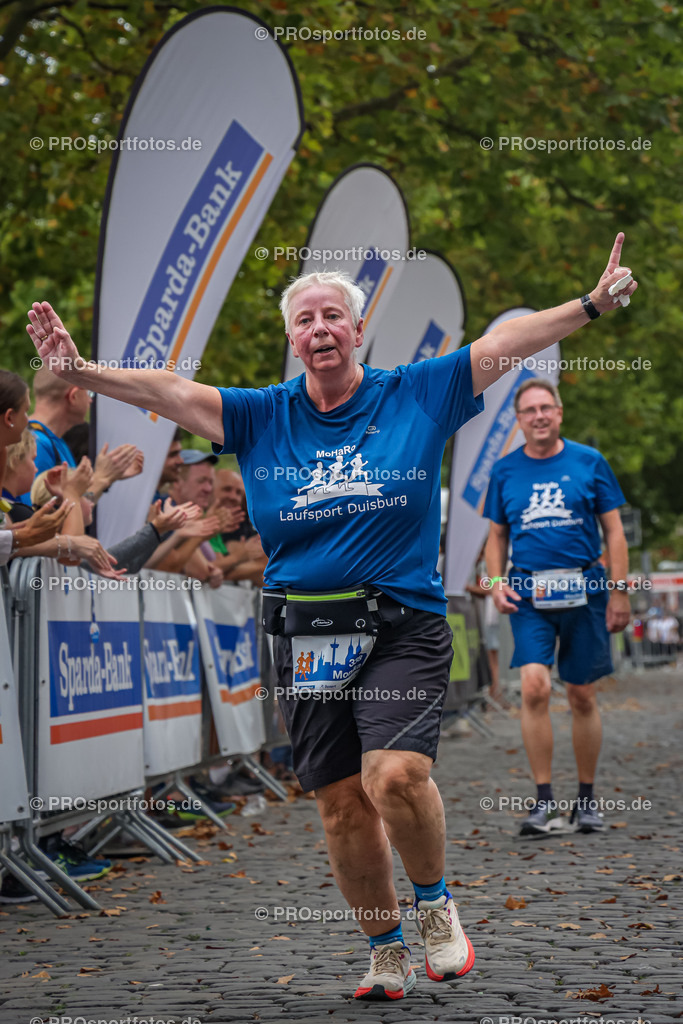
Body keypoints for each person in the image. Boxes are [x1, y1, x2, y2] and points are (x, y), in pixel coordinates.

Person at [26, 233, 637, 1000]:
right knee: (343, 805)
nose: (319, 329)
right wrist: (81, 371)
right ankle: (384, 949)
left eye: (332, 317)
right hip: (306, 633)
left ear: (355, 332)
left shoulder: (414, 392)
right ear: (293, 340)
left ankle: (434, 903)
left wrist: (586, 305)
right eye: (304, 320)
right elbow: (168, 392)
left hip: (400, 625)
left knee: (394, 777)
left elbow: (503, 344)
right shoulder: (261, 415)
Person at [483, 377, 630, 837]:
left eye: (547, 407)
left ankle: (585, 802)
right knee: (534, 687)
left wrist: (621, 590)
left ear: (559, 413)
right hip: (530, 594)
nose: (539, 416)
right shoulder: (505, 471)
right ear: (519, 420)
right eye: (530, 410)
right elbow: (496, 536)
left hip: (586, 588)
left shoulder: (590, 462)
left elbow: (615, 531)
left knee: (582, 694)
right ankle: (543, 802)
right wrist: (494, 583)